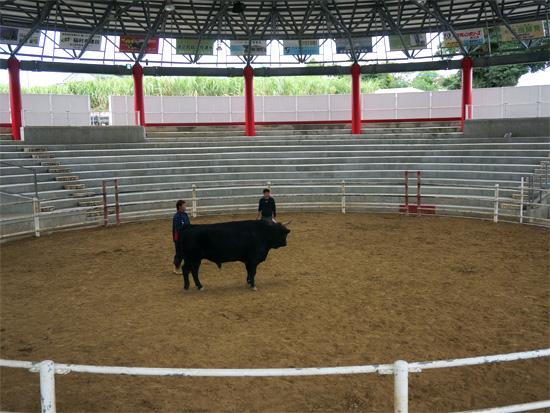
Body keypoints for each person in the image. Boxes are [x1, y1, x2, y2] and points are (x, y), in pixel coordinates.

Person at [172, 199, 190, 274]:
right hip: (179, 238)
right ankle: (176, 268)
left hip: (186, 237)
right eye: (184, 205)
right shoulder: (176, 217)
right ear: (180, 206)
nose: (186, 207)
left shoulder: (185, 215)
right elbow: (177, 229)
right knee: (179, 253)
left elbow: (188, 225)